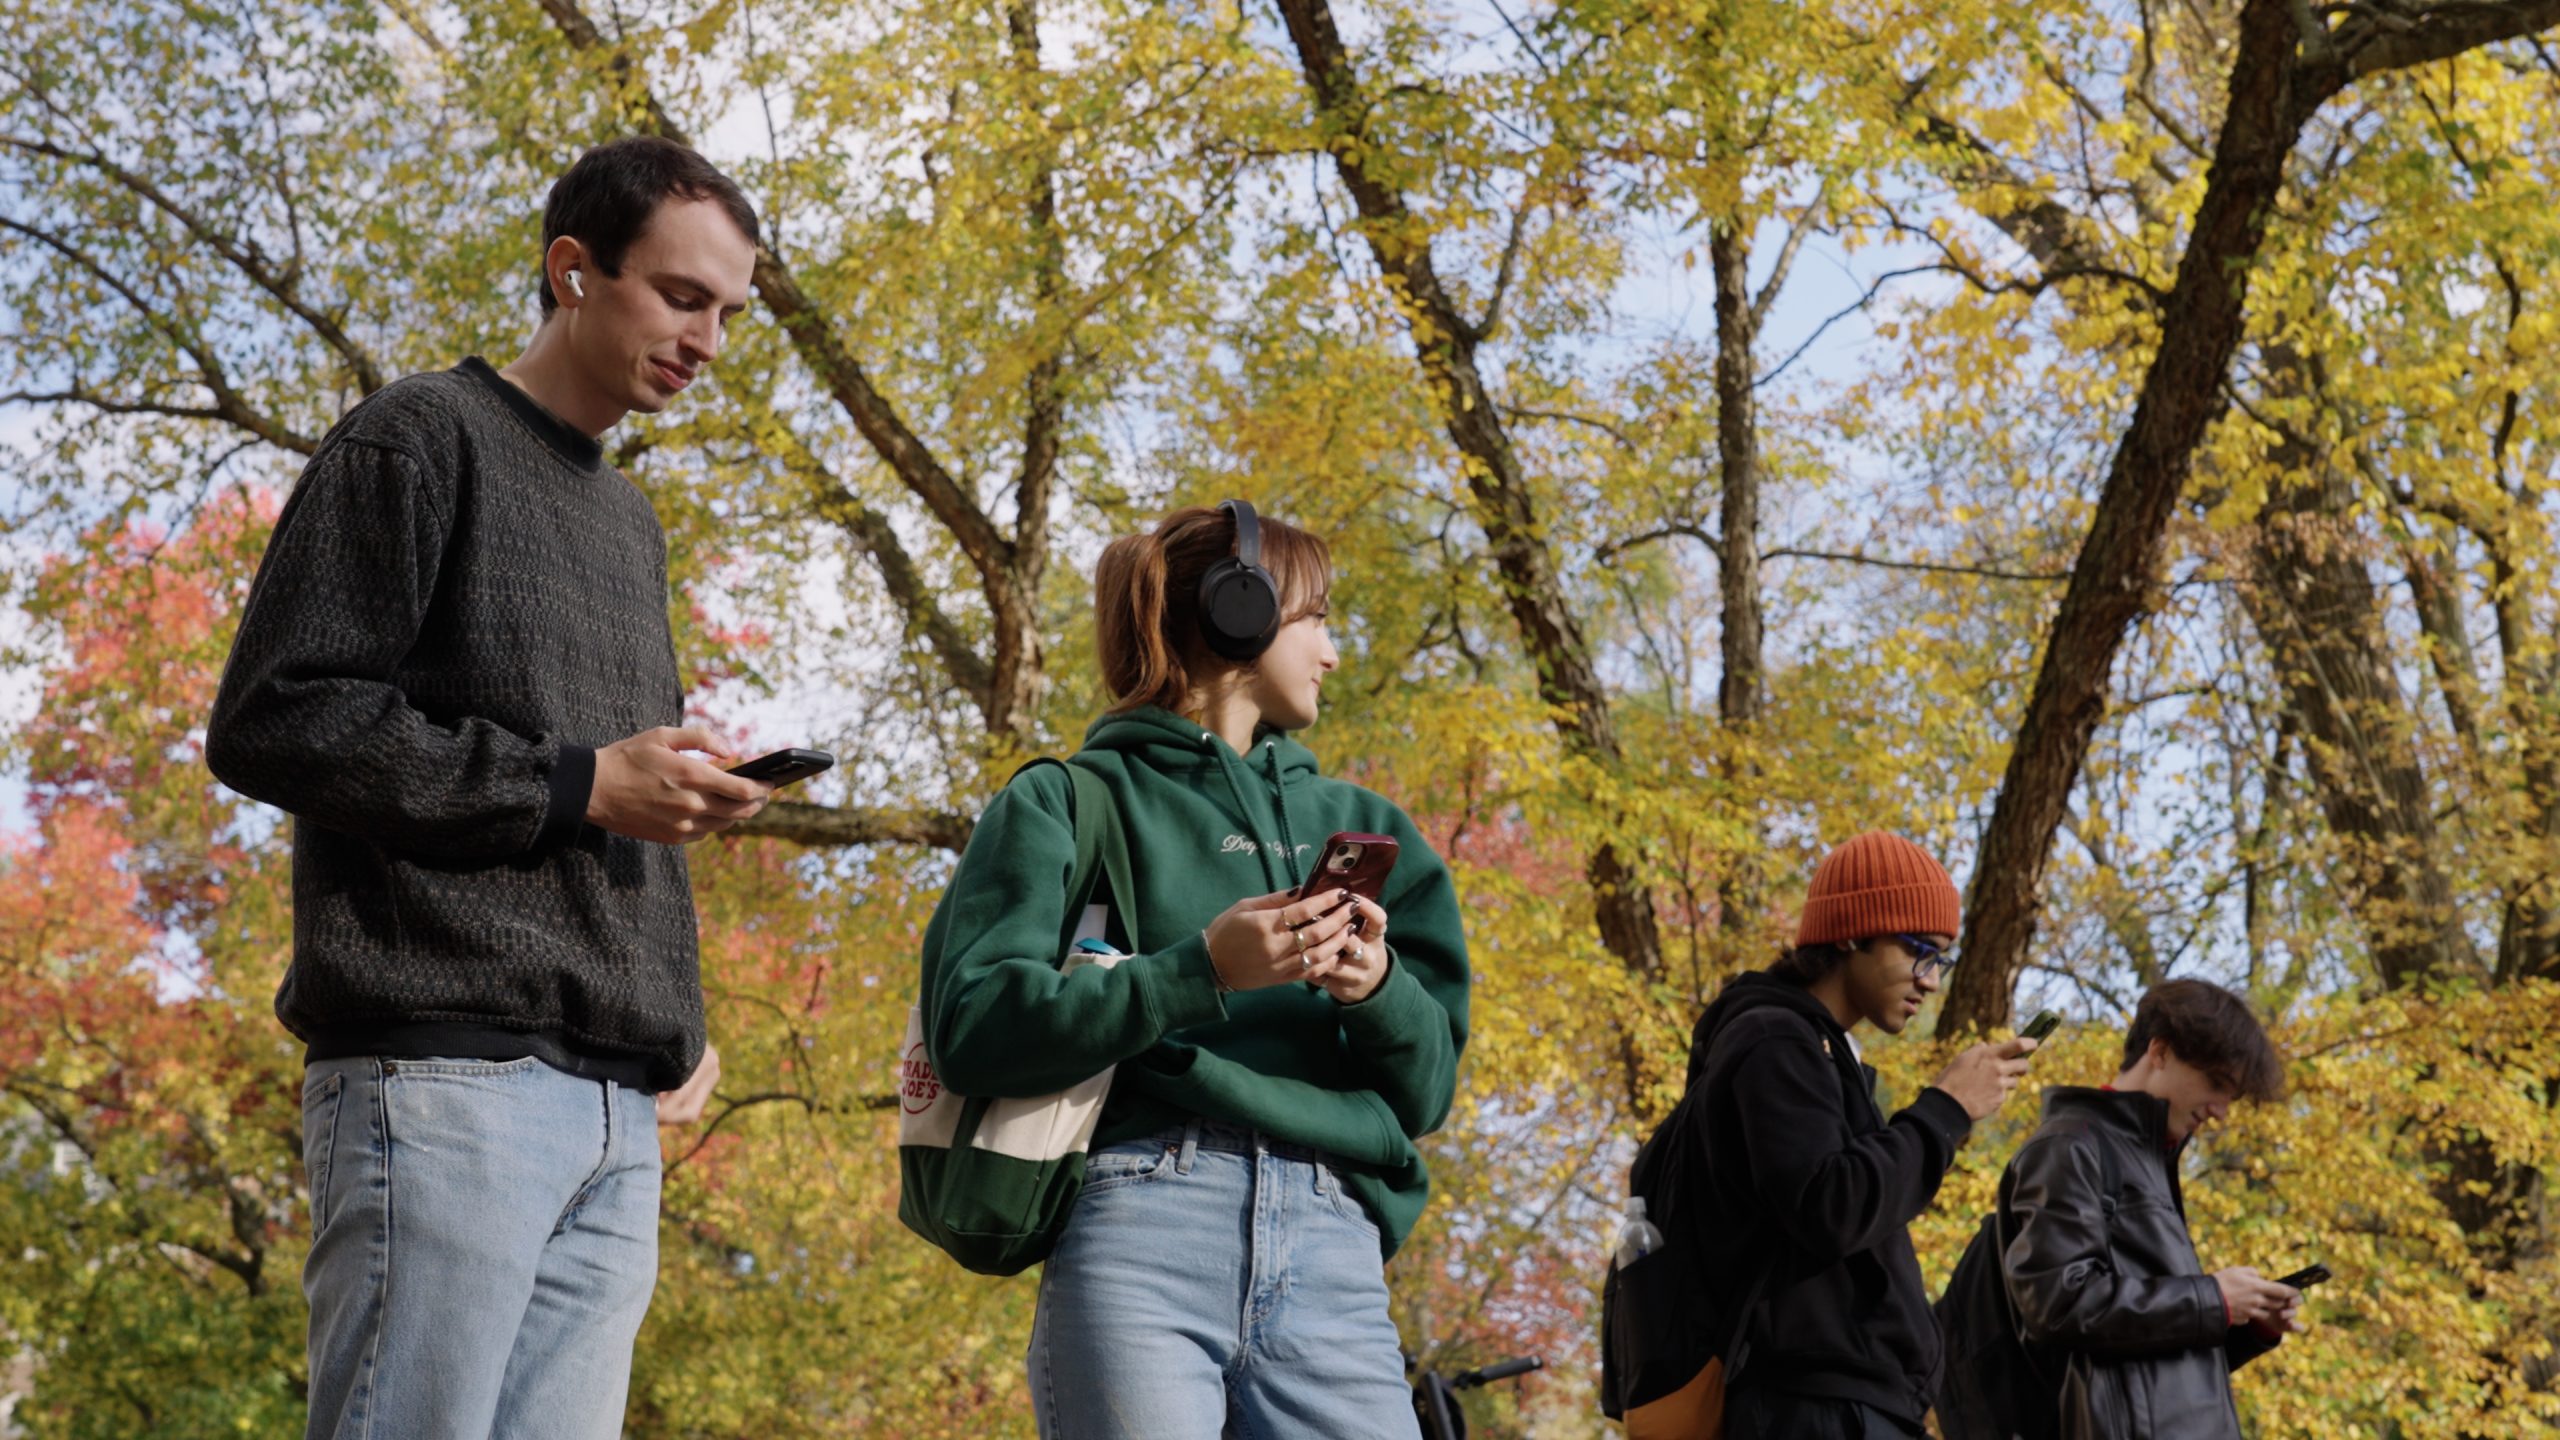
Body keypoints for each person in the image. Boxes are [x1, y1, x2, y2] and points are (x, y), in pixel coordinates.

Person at [205, 136, 772, 1439]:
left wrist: (674, 1011)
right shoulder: (420, 438)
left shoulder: (630, 526)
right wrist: (577, 782)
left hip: (616, 1116)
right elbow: (276, 721)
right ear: (574, 270)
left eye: (730, 313)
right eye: (684, 297)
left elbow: (613, 796)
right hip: (442, 1083)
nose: (711, 340)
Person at [919, 501, 1470, 1439]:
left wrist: (1373, 989)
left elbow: (1426, 1092)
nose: (1334, 651)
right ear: (1239, 612)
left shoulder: (1373, 826)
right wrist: (1198, 971)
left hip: (1335, 1245)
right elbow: (972, 1027)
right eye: (1319, 618)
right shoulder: (1068, 800)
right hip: (1139, 1225)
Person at [1683, 832, 2036, 1439]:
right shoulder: (1773, 1040)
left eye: (1941, 961)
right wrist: (1945, 1109)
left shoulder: (1817, 1051)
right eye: (1920, 951)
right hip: (1816, 1409)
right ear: (1851, 932)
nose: (1930, 981)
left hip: (1855, 1406)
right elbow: (1832, 1206)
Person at [1996, 979, 2298, 1439]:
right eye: (2216, 1084)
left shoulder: (2152, 1161)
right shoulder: (2070, 1146)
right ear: (2159, 1052)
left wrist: (2247, 1325)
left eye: (2231, 1097)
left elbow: (2154, 1365)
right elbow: (2058, 1305)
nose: (2220, 1112)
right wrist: (2210, 1298)